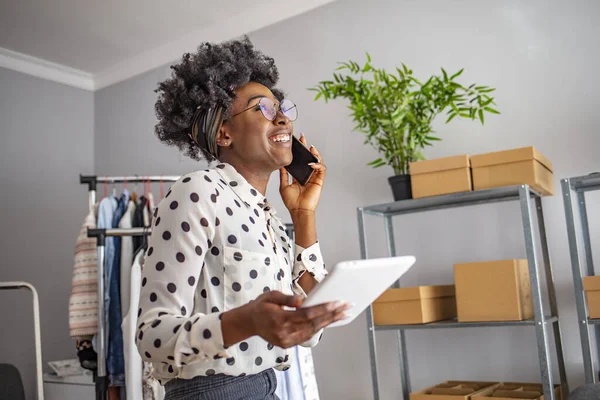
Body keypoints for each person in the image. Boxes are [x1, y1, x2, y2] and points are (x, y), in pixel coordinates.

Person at [135, 36, 350, 400]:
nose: (282, 118)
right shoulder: (197, 192)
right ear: (224, 132)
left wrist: (303, 217)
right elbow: (152, 337)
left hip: (267, 386)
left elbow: (312, 332)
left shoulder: (265, 216)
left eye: (281, 109)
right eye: (261, 109)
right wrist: (248, 320)